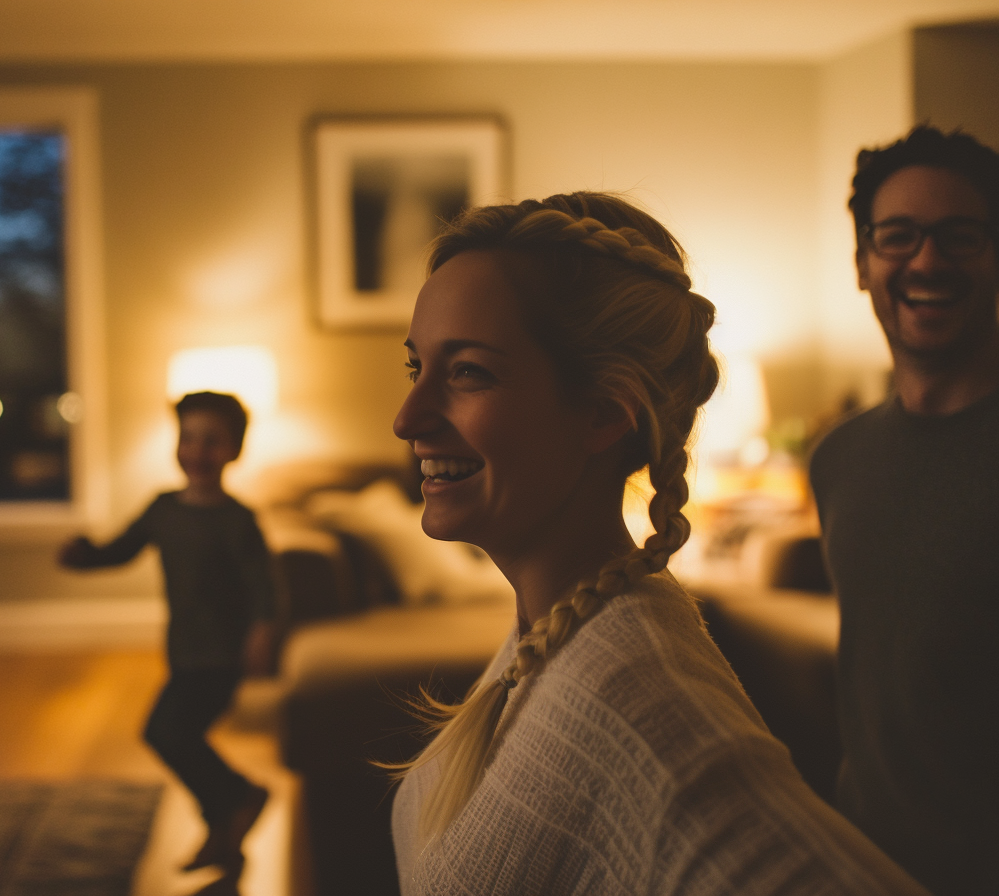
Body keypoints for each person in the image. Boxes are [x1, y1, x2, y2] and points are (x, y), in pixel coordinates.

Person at [388, 192, 928, 894]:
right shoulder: (556, 633)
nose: (407, 418)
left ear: (606, 415)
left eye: (468, 372)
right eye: (417, 368)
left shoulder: (643, 705)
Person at [809, 126, 999, 895]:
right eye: (897, 236)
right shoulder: (837, 460)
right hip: (866, 870)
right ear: (863, 262)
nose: (926, 261)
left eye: (959, 237)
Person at [59, 391, 275, 877]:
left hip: (222, 654)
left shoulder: (238, 521)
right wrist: (85, 556)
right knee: (177, 735)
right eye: (188, 438)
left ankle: (238, 798)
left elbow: (265, 587)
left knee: (166, 732)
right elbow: (122, 549)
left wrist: (262, 633)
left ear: (235, 451)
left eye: (212, 442)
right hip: (183, 649)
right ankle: (225, 828)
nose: (197, 452)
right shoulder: (163, 509)